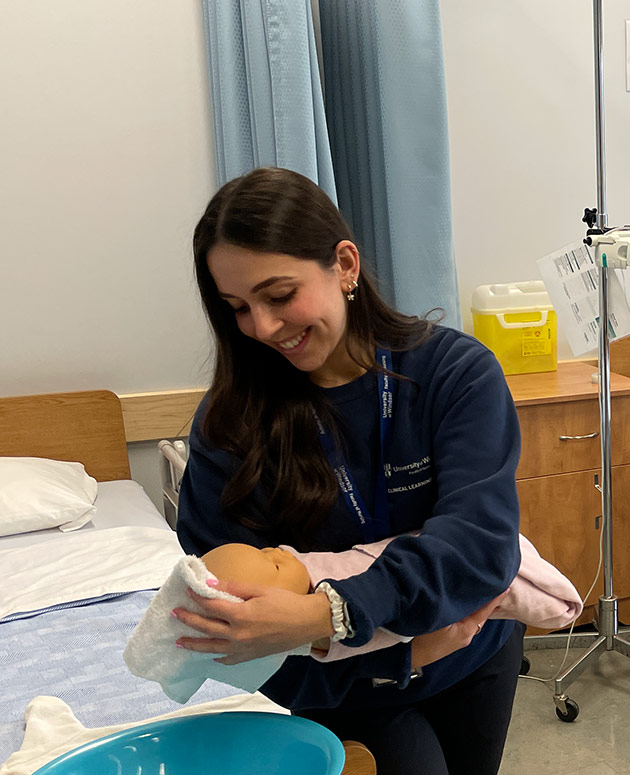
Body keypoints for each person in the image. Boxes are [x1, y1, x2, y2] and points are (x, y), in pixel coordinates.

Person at [174, 167, 525, 775]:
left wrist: (323, 613)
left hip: (468, 653)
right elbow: (225, 608)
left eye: (279, 296)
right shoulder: (230, 423)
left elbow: (480, 545)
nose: (261, 327)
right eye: (238, 308)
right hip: (339, 691)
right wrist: (394, 655)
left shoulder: (453, 375)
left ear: (344, 264)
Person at [199, 533, 581, 662]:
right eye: (273, 564)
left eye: (265, 549)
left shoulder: (456, 373)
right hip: (376, 692)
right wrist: (414, 656)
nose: (277, 551)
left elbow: (482, 530)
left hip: (482, 647)